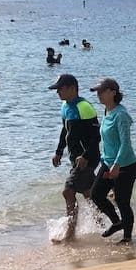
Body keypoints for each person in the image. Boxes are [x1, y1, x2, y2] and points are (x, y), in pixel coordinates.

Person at [49, 74, 101, 242]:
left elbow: (96, 137)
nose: (58, 92)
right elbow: (65, 131)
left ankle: (70, 234)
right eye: (56, 89)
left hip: (88, 158)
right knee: (88, 194)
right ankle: (102, 225)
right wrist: (58, 151)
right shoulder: (65, 106)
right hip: (75, 158)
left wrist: (85, 156)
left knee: (68, 191)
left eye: (60, 88)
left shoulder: (84, 107)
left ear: (72, 88)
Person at [88, 79, 136, 244]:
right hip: (107, 162)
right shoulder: (107, 111)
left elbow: (125, 143)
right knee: (96, 195)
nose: (98, 95)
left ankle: (127, 237)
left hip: (125, 165)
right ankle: (117, 222)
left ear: (113, 93)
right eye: (97, 92)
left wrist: (117, 164)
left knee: (122, 201)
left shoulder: (121, 115)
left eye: (102, 91)